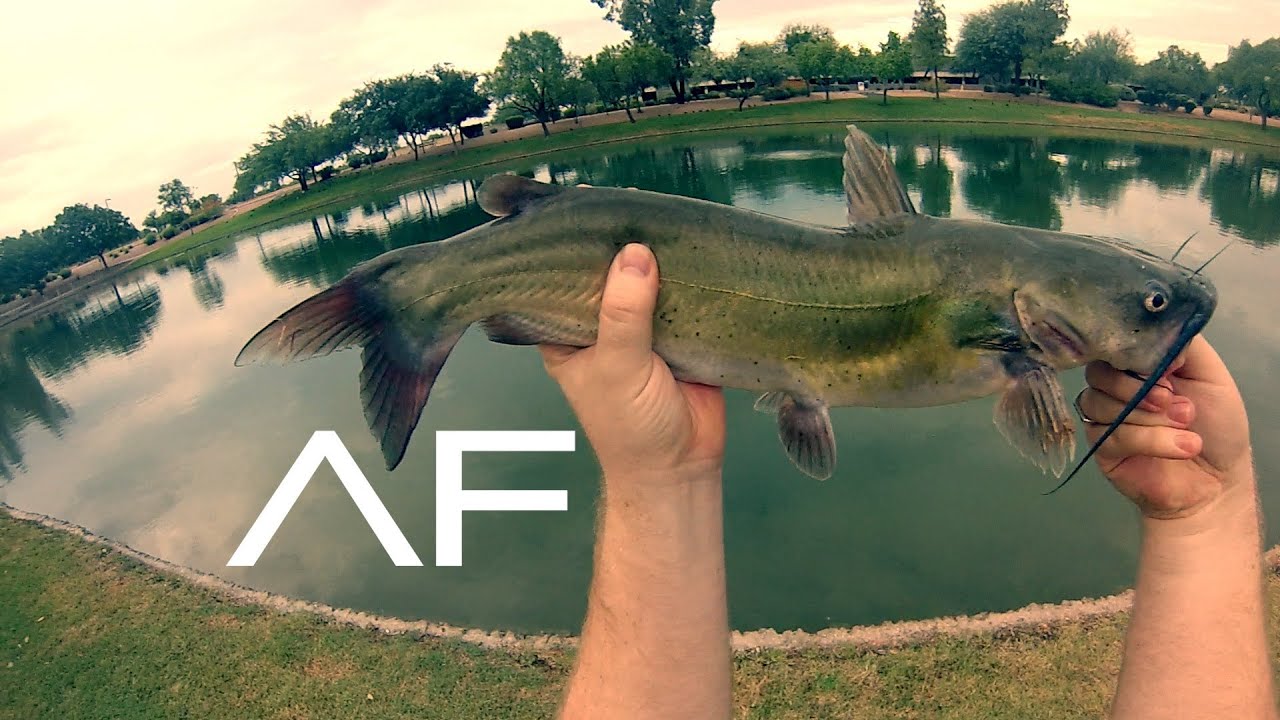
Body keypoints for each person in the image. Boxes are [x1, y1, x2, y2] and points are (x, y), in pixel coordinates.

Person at [544, 244, 1277, 720]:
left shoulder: (1019, 334)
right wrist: (1204, 521)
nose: (1162, 317)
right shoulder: (1006, 326)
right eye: (1151, 303)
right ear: (1033, 309)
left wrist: (660, 478)